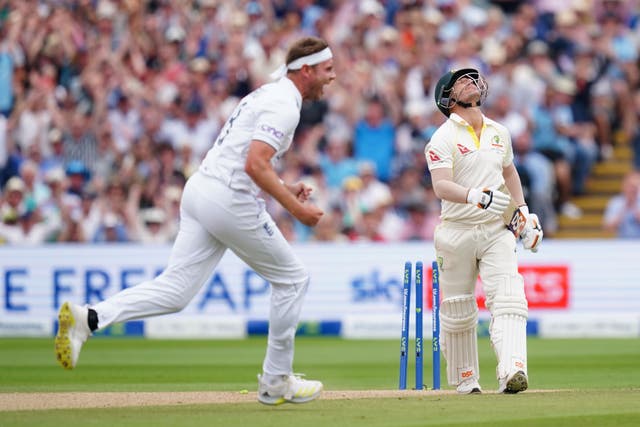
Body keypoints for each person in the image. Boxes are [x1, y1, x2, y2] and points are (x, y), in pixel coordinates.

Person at [54, 36, 335, 406]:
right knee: (293, 280)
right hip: (228, 200)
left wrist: (283, 186)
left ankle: (88, 319)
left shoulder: (267, 94)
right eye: (327, 70)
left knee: (175, 291)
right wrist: (295, 210)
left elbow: (247, 160)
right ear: (307, 70)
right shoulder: (285, 104)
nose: (331, 78)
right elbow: (253, 164)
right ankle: (276, 381)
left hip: (201, 189)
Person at [424, 68, 543, 395]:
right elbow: (440, 186)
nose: (470, 82)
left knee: (509, 297)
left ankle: (512, 370)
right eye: (461, 81)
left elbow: (510, 173)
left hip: (495, 229)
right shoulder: (442, 138)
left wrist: (522, 213)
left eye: (472, 78)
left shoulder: (498, 132)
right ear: (448, 99)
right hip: (456, 230)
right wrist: (471, 195)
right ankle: (466, 378)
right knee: (459, 308)